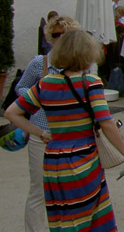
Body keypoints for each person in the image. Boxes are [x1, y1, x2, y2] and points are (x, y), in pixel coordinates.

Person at [5, 29, 124, 231]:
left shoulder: (45, 83)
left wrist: (40, 133)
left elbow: (12, 113)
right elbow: (106, 123)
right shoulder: (90, 84)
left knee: (62, 219)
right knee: (92, 217)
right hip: (83, 160)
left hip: (53, 161)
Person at [15, 14, 78, 232]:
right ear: (50, 37)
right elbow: (20, 87)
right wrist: (38, 95)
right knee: (38, 189)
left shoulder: (77, 66)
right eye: (56, 34)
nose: (60, 38)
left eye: (65, 34)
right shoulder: (40, 63)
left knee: (68, 190)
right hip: (41, 132)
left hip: (69, 135)